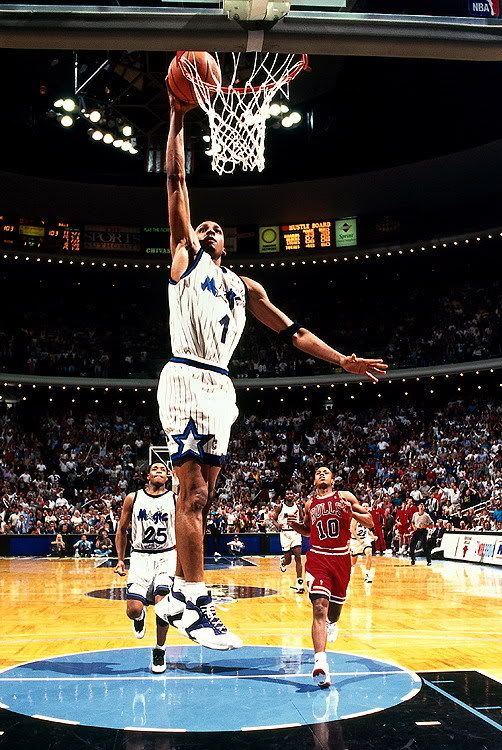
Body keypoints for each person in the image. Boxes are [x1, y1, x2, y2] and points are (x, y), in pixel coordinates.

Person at [154, 88, 389, 652]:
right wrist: (177, 117)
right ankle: (195, 598)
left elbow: (294, 332)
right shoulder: (185, 257)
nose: (209, 227)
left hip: (221, 386)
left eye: (216, 227)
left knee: (202, 496)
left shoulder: (246, 287)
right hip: (187, 374)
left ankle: (181, 594)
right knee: (191, 493)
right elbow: (176, 183)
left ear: (227, 242)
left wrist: (342, 360)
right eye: (203, 225)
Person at [288, 466, 374, 687]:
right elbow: (309, 531)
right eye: (318, 472)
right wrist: (295, 526)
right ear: (313, 481)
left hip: (341, 559)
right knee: (319, 607)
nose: (321, 474)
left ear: (333, 480)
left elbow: (370, 521)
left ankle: (332, 623)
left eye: (326, 472)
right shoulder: (309, 504)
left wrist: (351, 512)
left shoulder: (345, 497)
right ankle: (321, 664)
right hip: (318, 558)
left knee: (333, 614)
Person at [115, 463, 176, 674]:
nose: (159, 471)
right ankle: (139, 617)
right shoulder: (133, 498)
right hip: (140, 556)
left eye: (163, 469)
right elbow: (122, 529)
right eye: (155, 469)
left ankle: (160, 649)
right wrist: (120, 559)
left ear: (168, 477)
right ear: (148, 475)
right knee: (133, 609)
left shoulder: (175, 499)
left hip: (166, 555)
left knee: (163, 606)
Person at [271, 490, 305, 593]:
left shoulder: (298, 507)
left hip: (295, 533)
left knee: (298, 557)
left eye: (291, 494)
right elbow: (273, 519)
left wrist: (302, 525)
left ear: (294, 496)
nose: (290, 495)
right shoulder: (280, 507)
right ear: (285, 496)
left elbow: (303, 519)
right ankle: (283, 561)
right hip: (285, 534)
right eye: (288, 494)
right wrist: (277, 525)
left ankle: (299, 583)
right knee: (288, 560)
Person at [350, 501, 376, 583]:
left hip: (365, 539)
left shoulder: (368, 517)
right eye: (363, 506)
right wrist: (359, 540)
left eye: (366, 506)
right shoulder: (356, 517)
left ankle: (367, 575)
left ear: (368, 508)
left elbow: (366, 528)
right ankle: (349, 573)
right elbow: (352, 529)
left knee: (369, 553)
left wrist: (372, 536)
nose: (365, 507)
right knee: (353, 562)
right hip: (355, 540)